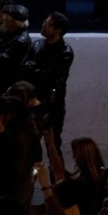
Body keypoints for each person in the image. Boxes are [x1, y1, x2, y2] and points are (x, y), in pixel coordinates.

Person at [22, 11, 74, 150]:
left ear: (58, 30)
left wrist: (34, 69)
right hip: (33, 100)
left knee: (53, 143)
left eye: (48, 24)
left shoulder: (65, 52)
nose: (43, 25)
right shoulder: (37, 45)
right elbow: (24, 67)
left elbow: (49, 77)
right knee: (30, 142)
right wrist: (37, 71)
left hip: (53, 103)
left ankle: (56, 172)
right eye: (44, 22)